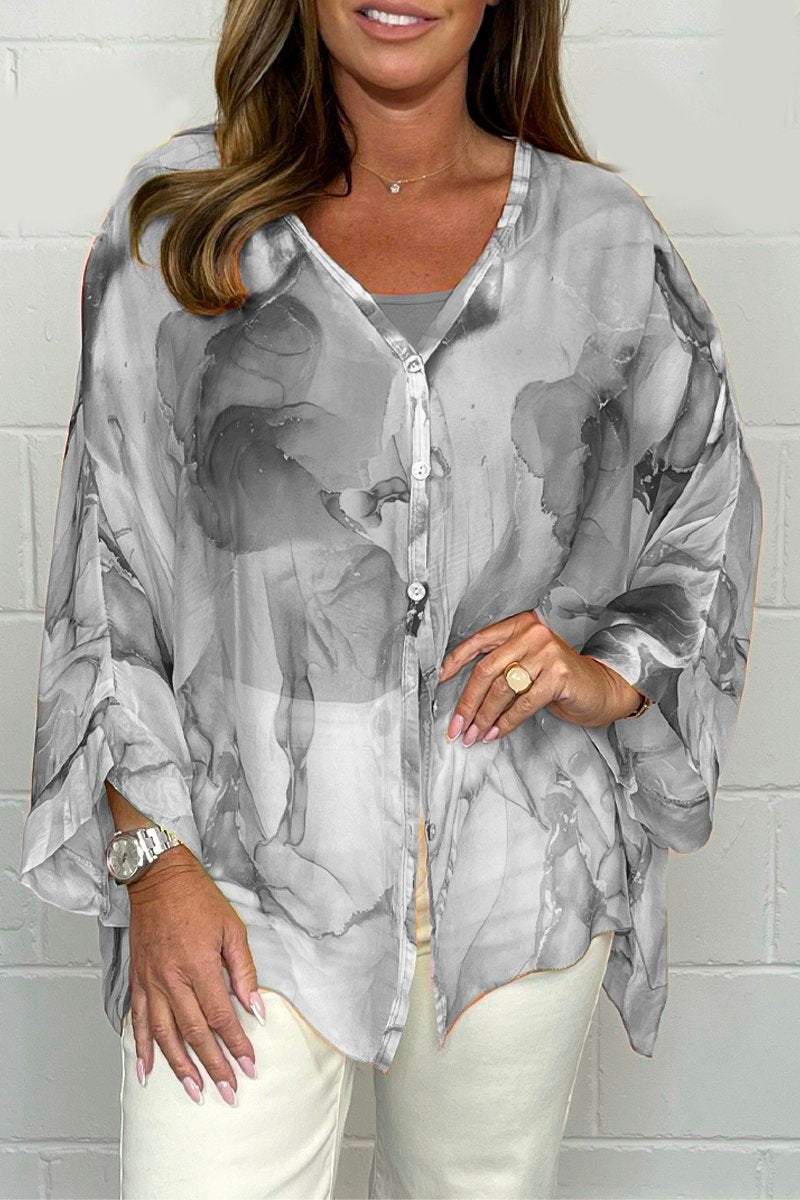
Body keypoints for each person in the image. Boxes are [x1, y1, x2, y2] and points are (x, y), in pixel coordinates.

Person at [18, 0, 764, 1197]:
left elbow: (706, 497)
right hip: (237, 866)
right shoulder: (182, 225)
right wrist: (153, 863)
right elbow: (107, 569)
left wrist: (610, 668)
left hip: (520, 865)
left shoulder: (601, 238)